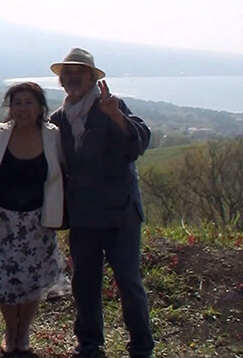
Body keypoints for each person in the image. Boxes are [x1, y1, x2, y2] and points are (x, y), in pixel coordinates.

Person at [48, 48, 154, 358]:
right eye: (67, 74)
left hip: (120, 212)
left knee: (128, 281)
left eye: (78, 72)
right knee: (84, 282)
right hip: (83, 215)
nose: (72, 78)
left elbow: (138, 144)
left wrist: (117, 117)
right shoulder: (58, 119)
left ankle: (141, 346)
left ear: (92, 78)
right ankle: (89, 343)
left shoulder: (110, 105)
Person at [0, 82, 71, 358]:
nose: (22, 108)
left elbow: (63, 170)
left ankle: (23, 331)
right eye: (17, 103)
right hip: (4, 221)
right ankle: (10, 330)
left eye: (29, 102)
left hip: (39, 221)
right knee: (6, 281)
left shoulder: (52, 135)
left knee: (33, 280)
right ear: (9, 107)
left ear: (40, 107)